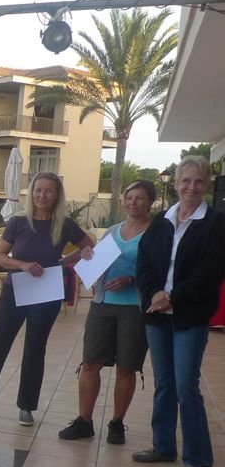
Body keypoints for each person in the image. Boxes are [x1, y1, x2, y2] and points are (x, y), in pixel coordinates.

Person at [0, 171, 94, 426]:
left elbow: (89, 245)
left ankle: (26, 407)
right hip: (15, 290)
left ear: (56, 195)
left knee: (35, 349)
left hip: (46, 294)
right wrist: (22, 265)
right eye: (38, 190)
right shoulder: (18, 222)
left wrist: (64, 263)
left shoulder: (65, 224)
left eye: (48, 191)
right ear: (32, 192)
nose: (42, 195)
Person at [132, 156, 225, 467]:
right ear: (175, 183)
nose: (192, 187)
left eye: (199, 181)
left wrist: (171, 297)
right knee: (164, 382)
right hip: (158, 315)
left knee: (186, 385)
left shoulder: (216, 223)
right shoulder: (161, 220)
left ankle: (198, 461)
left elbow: (210, 273)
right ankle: (163, 446)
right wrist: (154, 293)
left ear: (207, 184)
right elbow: (143, 261)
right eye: (186, 180)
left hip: (189, 315)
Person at [59, 180, 156, 443]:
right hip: (103, 304)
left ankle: (117, 423)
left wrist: (131, 280)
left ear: (150, 202)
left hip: (134, 308)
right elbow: (99, 261)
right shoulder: (113, 231)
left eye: (139, 198)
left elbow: (160, 271)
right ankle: (84, 421)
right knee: (91, 363)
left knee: (126, 367)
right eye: (129, 197)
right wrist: (88, 258)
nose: (133, 202)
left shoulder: (156, 233)